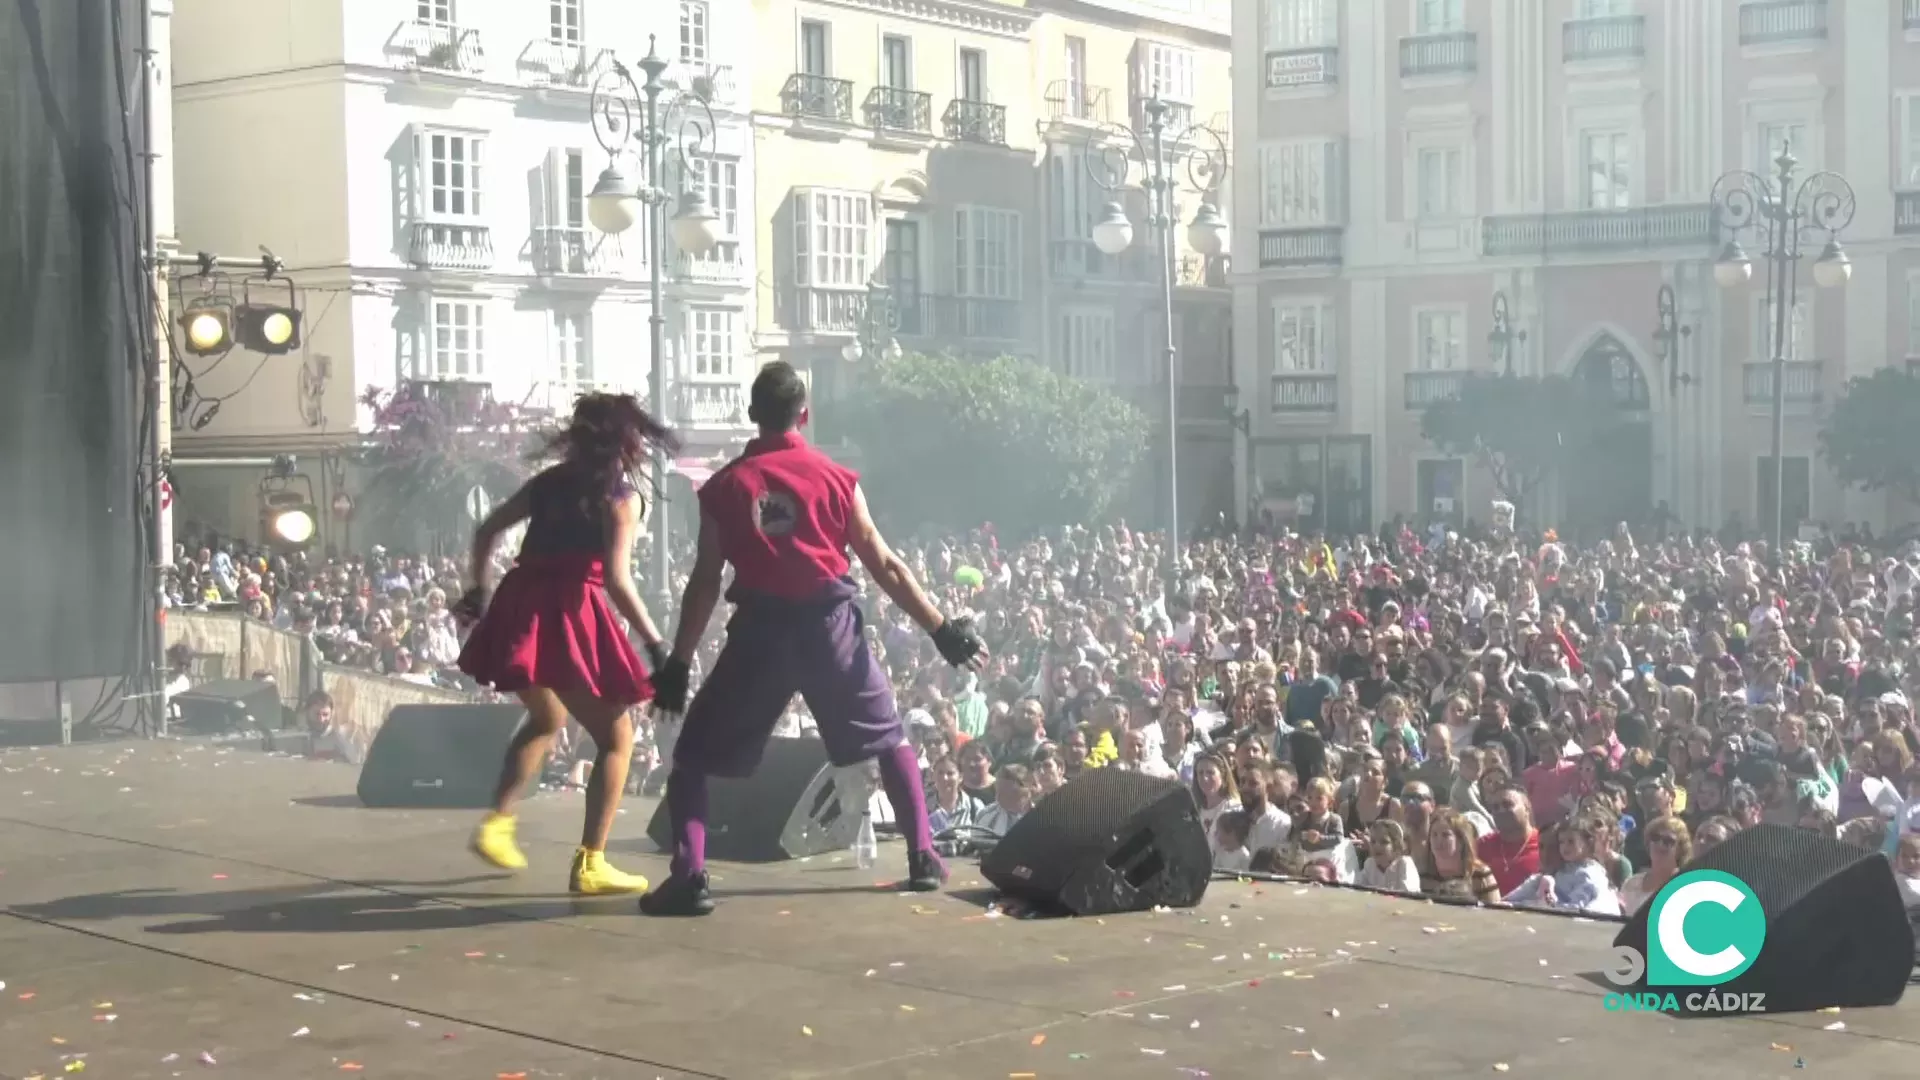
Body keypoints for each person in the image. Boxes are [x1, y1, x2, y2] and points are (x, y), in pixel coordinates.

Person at [643, 362, 987, 917]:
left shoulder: (725, 487)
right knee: (889, 738)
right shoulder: (836, 478)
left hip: (760, 636)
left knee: (691, 757)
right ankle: (923, 857)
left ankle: (689, 876)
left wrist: (679, 663)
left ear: (753, 415)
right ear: (804, 414)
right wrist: (942, 629)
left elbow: (705, 584)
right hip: (832, 633)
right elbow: (886, 565)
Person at [453, 392, 676, 896]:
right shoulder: (621, 499)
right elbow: (618, 581)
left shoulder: (548, 484)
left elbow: (487, 529)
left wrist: (479, 588)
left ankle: (497, 822)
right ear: (629, 441)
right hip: (570, 608)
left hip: (520, 600)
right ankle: (591, 863)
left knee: (547, 717)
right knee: (617, 739)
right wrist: (656, 643)